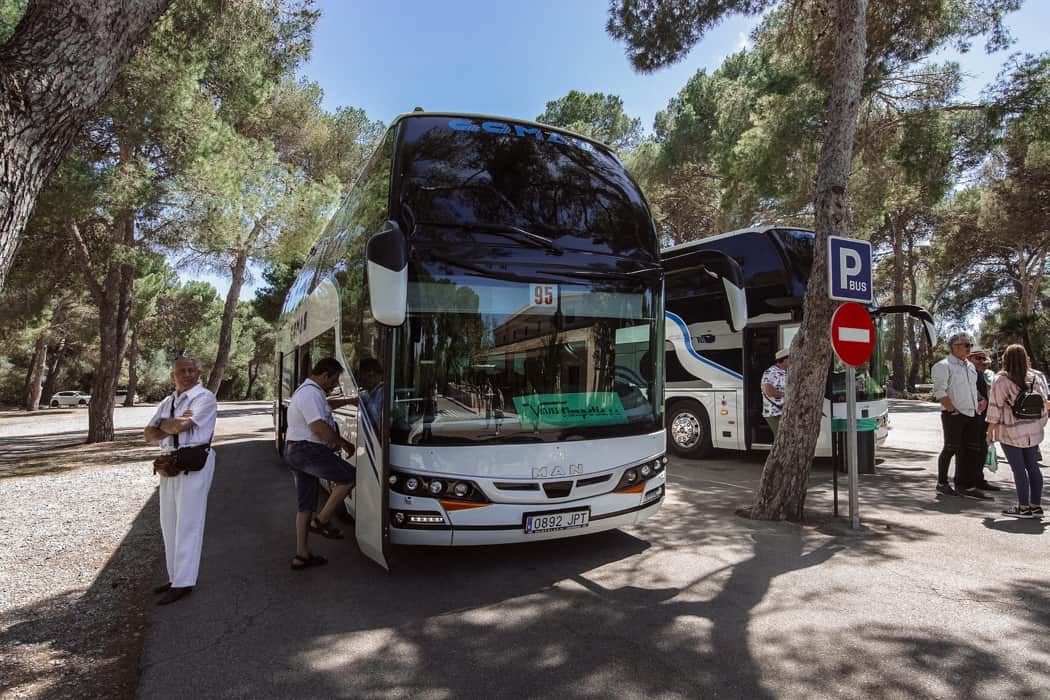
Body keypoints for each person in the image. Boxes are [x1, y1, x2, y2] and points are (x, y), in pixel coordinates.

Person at [143, 356, 218, 605]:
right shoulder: (168, 401)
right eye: (182, 371)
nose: (187, 374)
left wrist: (167, 425)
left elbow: (183, 425)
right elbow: (148, 434)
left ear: (198, 373)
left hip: (193, 460)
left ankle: (184, 582)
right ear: (172, 376)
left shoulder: (204, 398)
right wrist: (170, 425)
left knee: (188, 522)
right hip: (168, 462)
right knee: (169, 522)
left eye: (192, 370)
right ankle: (174, 576)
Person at [284, 357, 357, 570]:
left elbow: (326, 405)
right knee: (348, 477)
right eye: (333, 381)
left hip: (297, 451)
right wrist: (344, 444)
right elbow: (318, 427)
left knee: (305, 505)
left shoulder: (309, 392)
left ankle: (301, 555)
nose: (334, 385)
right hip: (307, 450)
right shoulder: (310, 393)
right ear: (325, 375)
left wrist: (348, 401)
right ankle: (322, 520)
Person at [986, 344, 1049, 518]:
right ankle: (1035, 506)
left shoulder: (1001, 380)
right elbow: (1044, 405)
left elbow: (995, 408)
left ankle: (1023, 507)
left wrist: (990, 431)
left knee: (1019, 469)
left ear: (1005, 359)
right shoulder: (1037, 377)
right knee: (1033, 467)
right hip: (1033, 431)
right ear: (1025, 358)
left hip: (1011, 431)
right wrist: (1037, 426)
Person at [931, 333, 989, 499]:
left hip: (972, 414)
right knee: (951, 448)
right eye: (965, 345)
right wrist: (952, 409)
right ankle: (942, 483)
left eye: (969, 344)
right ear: (953, 347)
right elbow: (939, 391)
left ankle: (966, 486)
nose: (968, 348)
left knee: (970, 450)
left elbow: (972, 388)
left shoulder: (970, 366)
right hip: (954, 415)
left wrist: (980, 398)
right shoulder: (943, 365)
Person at [968, 349, 1001, 491]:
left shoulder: (986, 375)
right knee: (971, 450)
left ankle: (979, 480)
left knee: (983, 449)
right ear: (970, 359)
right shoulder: (968, 375)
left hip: (985, 418)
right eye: (978, 358)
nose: (981, 361)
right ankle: (968, 482)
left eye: (983, 359)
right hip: (971, 418)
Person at [761, 348, 789, 438]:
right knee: (781, 438)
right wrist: (786, 394)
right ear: (785, 360)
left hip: (782, 411)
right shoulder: (771, 372)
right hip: (773, 412)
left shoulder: (785, 372)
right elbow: (767, 391)